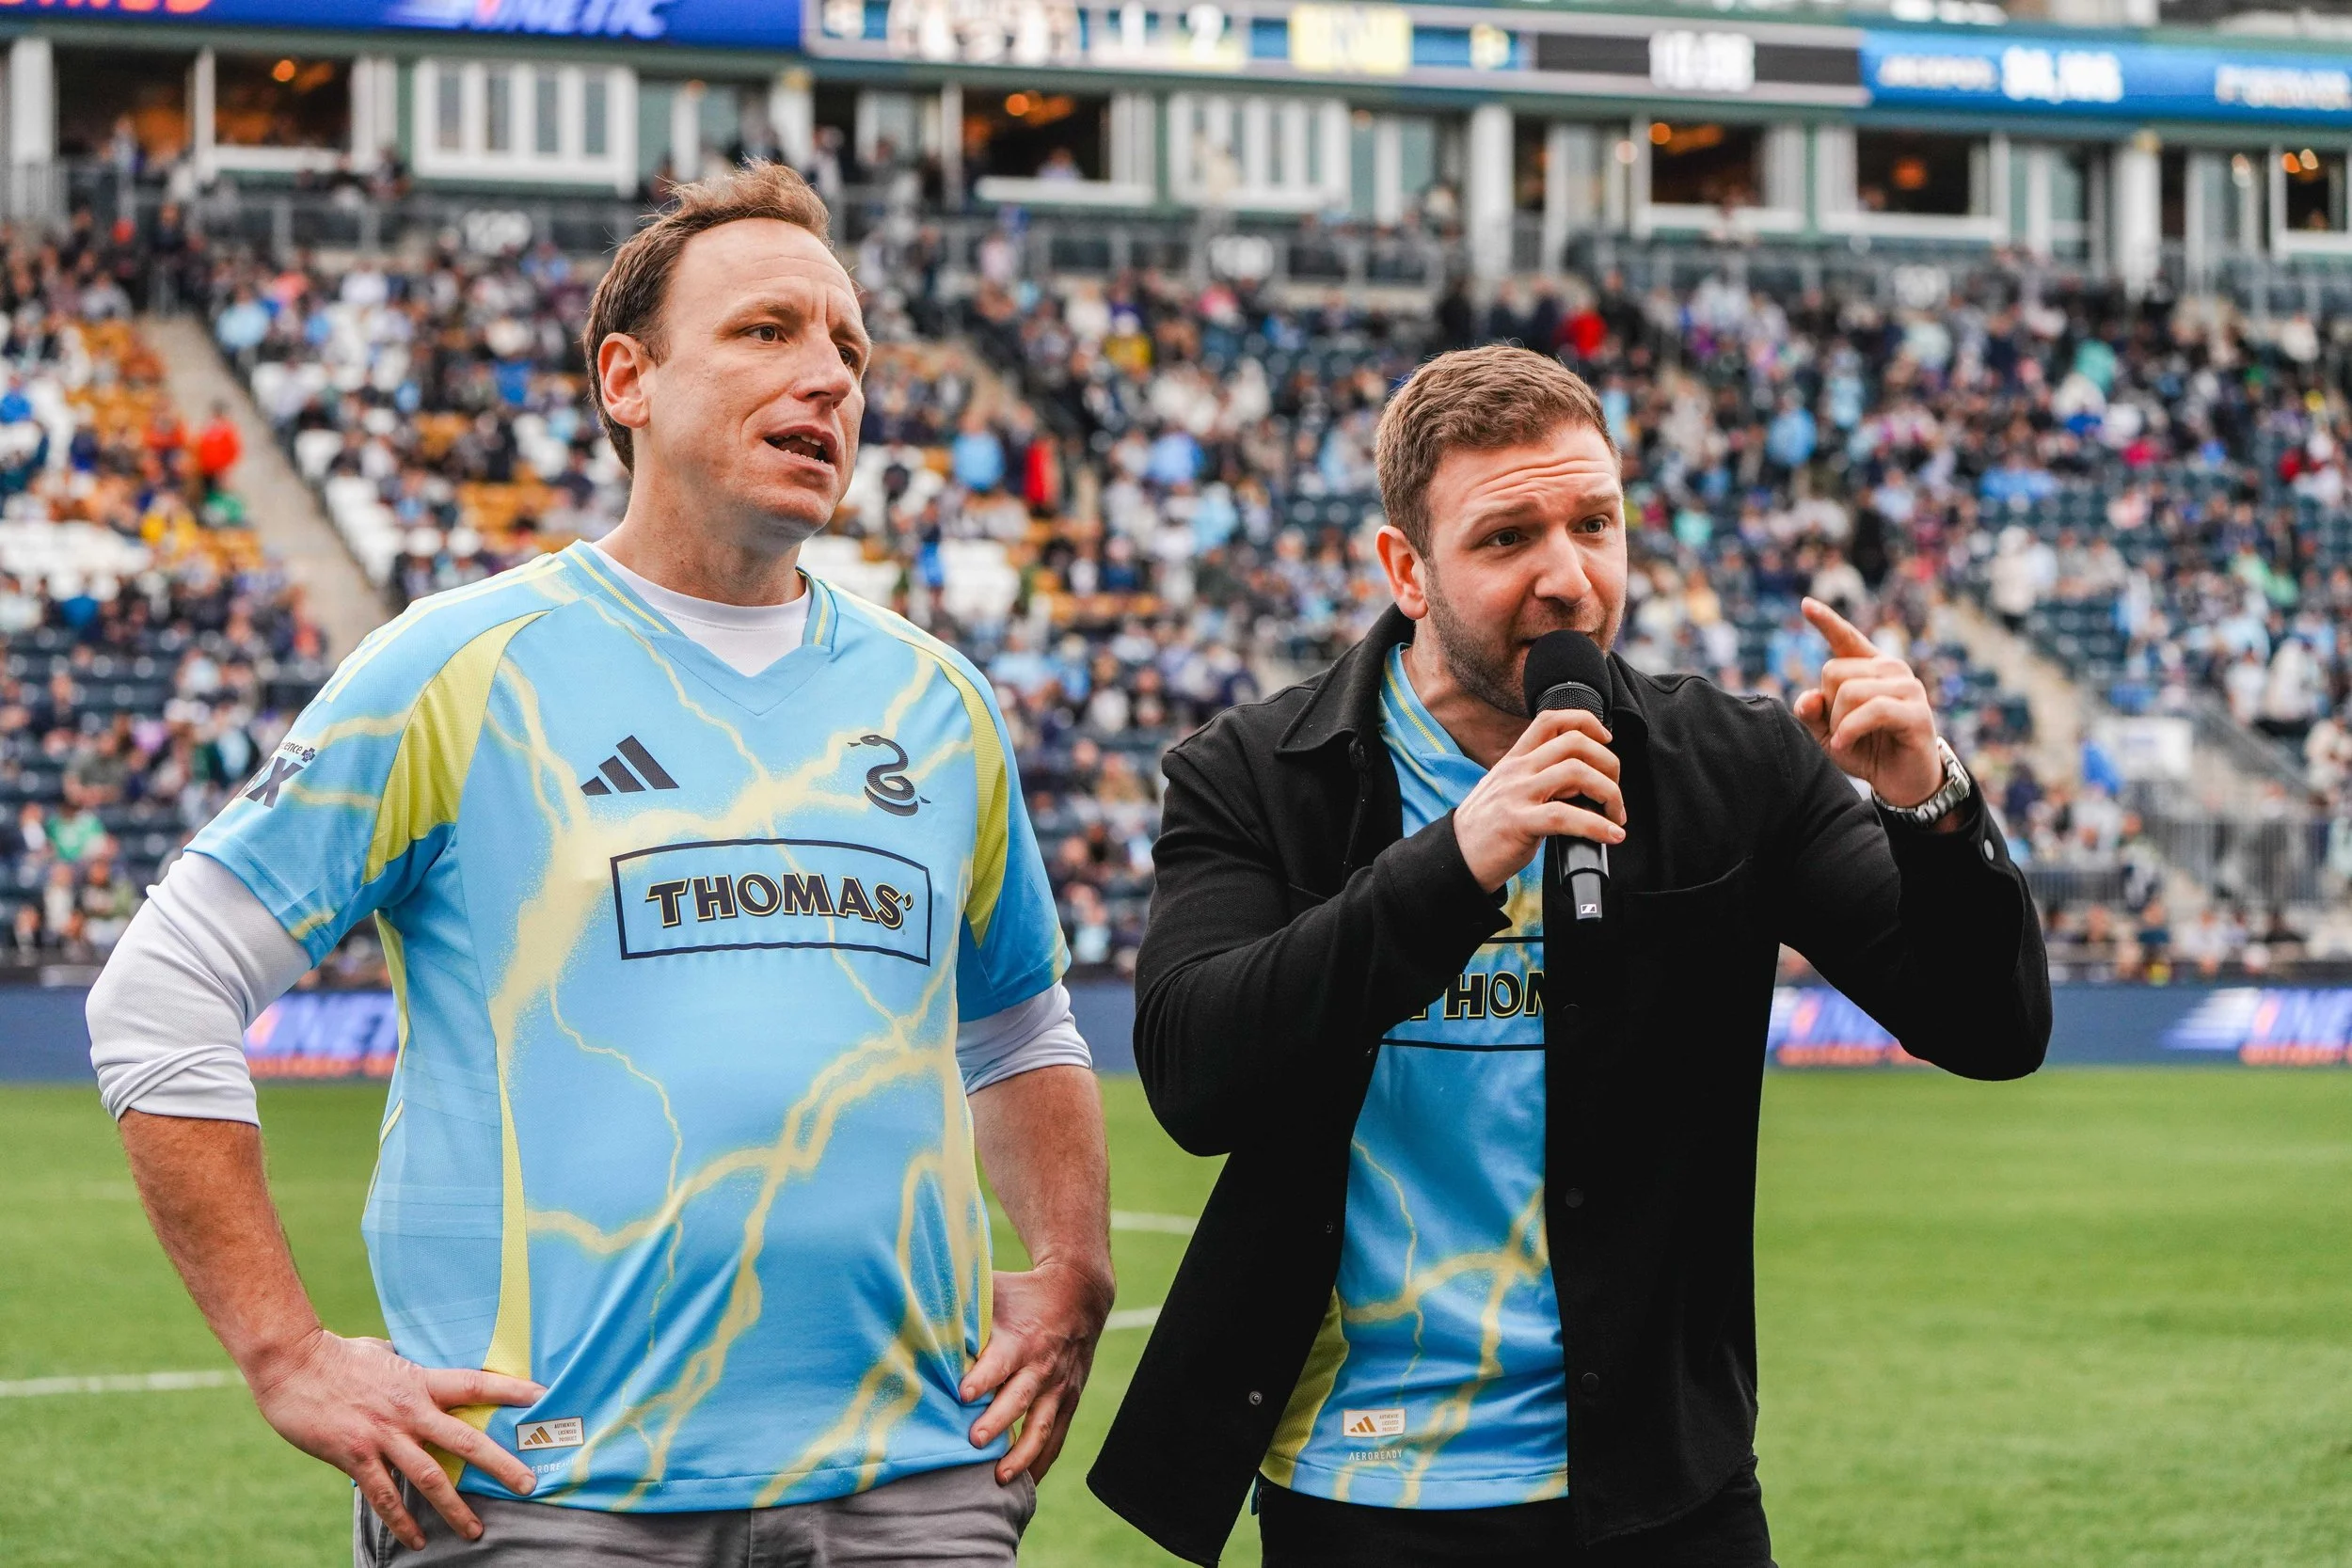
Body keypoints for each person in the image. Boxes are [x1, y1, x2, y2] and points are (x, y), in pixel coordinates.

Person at [88, 163, 1113, 1566]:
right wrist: (286, 1352)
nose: (828, 375)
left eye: (851, 347)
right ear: (626, 378)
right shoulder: (456, 665)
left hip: (916, 1480)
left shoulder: (940, 700)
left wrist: (1070, 1266)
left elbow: (1018, 1021)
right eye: (768, 331)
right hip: (546, 1492)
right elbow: (161, 995)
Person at [1089, 346, 2049, 1566]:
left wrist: (1932, 800)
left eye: (1596, 521)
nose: (1567, 576)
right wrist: (1459, 856)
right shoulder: (1255, 773)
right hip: (1363, 1490)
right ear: (1407, 570)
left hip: (1663, 1489)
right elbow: (1191, 1071)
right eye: (1506, 538)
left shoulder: (1736, 764)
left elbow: (1991, 1026)